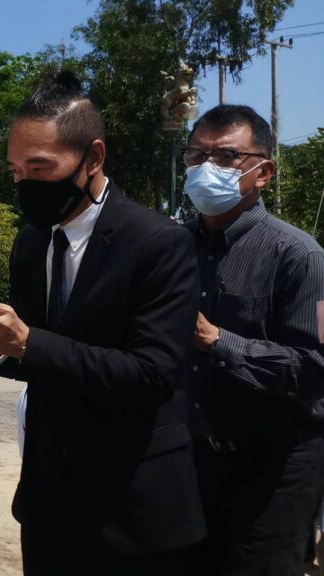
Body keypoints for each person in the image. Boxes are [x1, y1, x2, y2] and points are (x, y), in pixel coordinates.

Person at [0, 71, 204, 575]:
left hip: (133, 507)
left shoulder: (157, 243)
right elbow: (40, 360)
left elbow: (151, 375)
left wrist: (27, 342)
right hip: (48, 503)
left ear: (93, 158)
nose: (25, 184)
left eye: (40, 168)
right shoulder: (31, 241)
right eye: (16, 171)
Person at [181, 104, 324, 575]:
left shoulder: (304, 258)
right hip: (191, 462)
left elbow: (316, 368)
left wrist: (216, 340)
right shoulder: (171, 247)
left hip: (275, 471)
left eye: (225, 157)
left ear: (263, 172)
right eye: (196, 155)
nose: (206, 168)